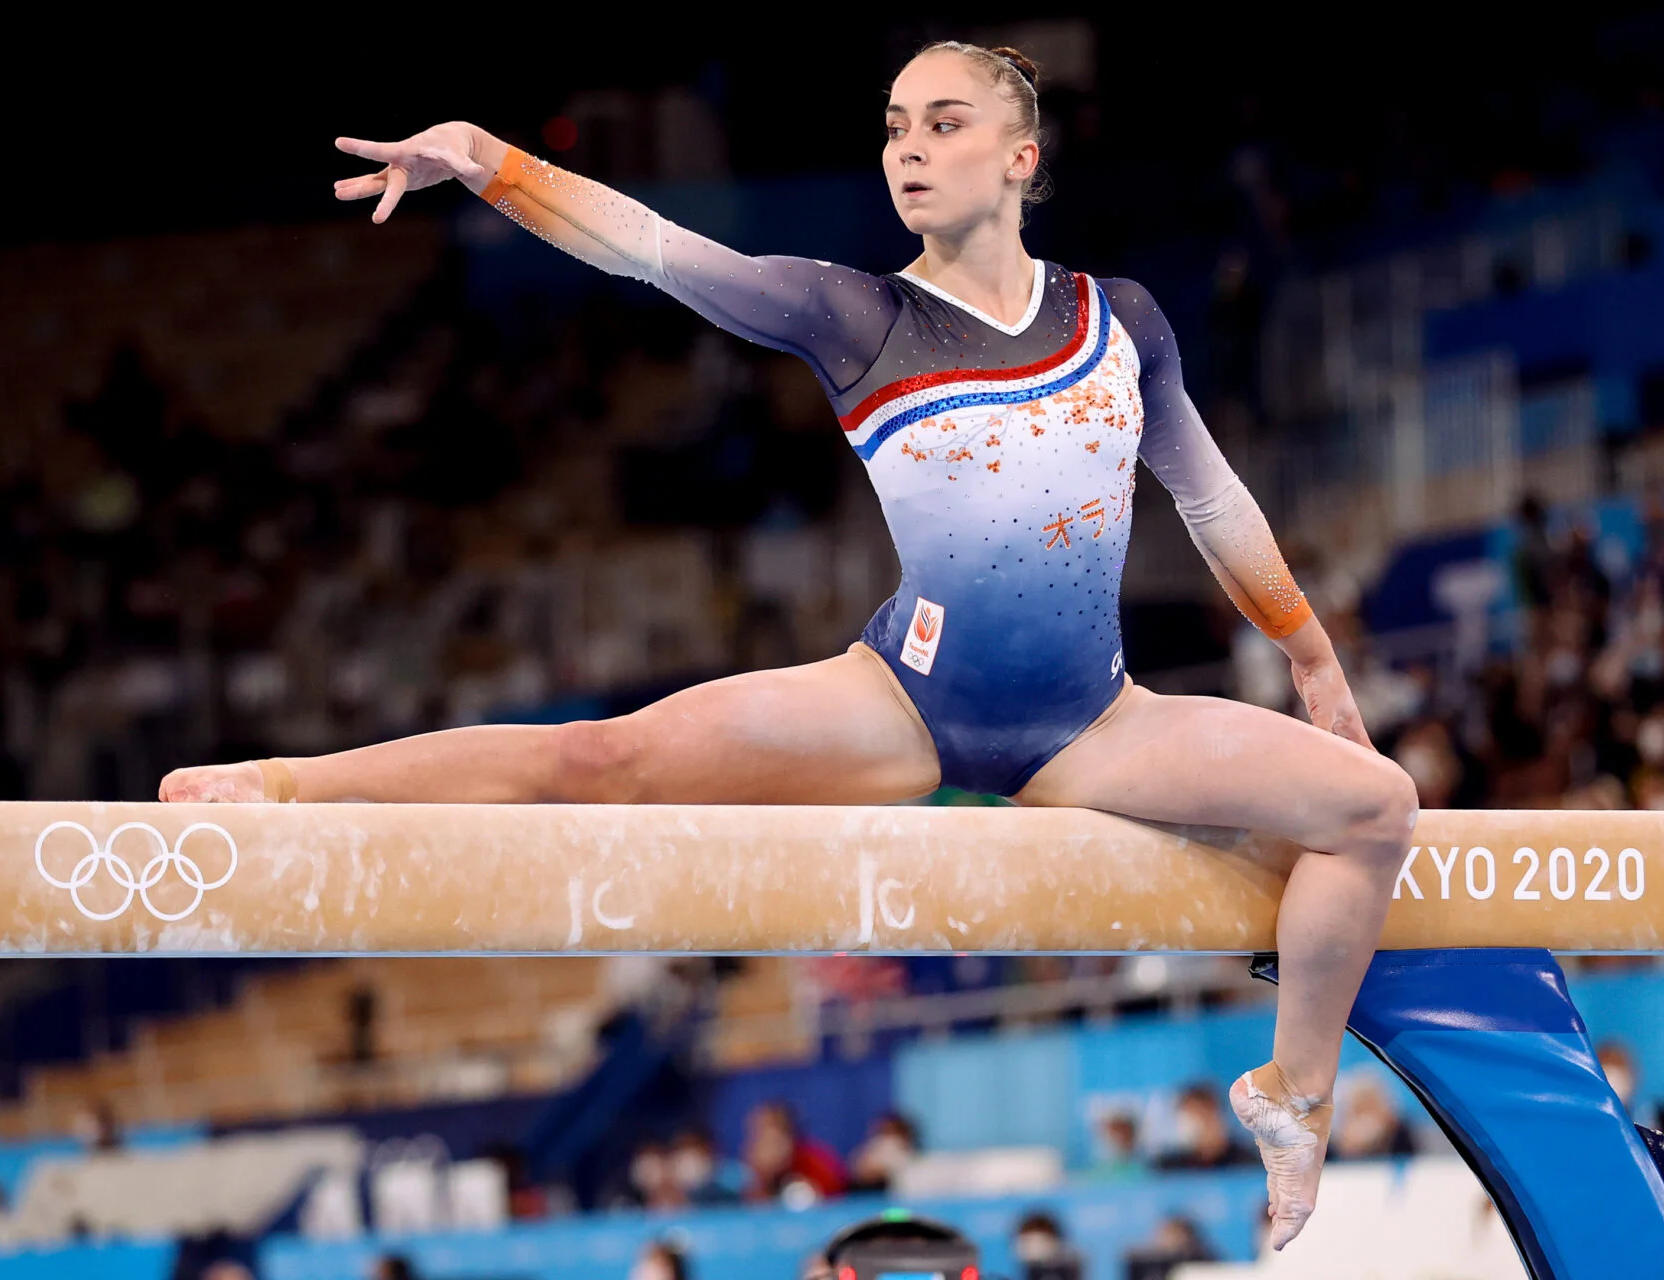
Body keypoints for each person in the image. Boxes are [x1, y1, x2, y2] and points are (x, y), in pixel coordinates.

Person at [161, 40, 1419, 1250]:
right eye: (894, 127)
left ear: (1021, 156)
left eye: (943, 124)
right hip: (906, 701)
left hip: (1095, 721)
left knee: (1374, 807)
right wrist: (492, 162)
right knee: (601, 760)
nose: (907, 148)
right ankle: (282, 783)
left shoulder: (1119, 320)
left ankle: (1292, 1092)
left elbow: (1211, 499)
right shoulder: (855, 314)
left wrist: (1312, 659)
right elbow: (655, 250)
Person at [1155, 1082, 1255, 1170]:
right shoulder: (1170, 1168)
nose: (1190, 1126)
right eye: (1186, 1118)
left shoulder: (1247, 1163)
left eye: (1200, 1116)